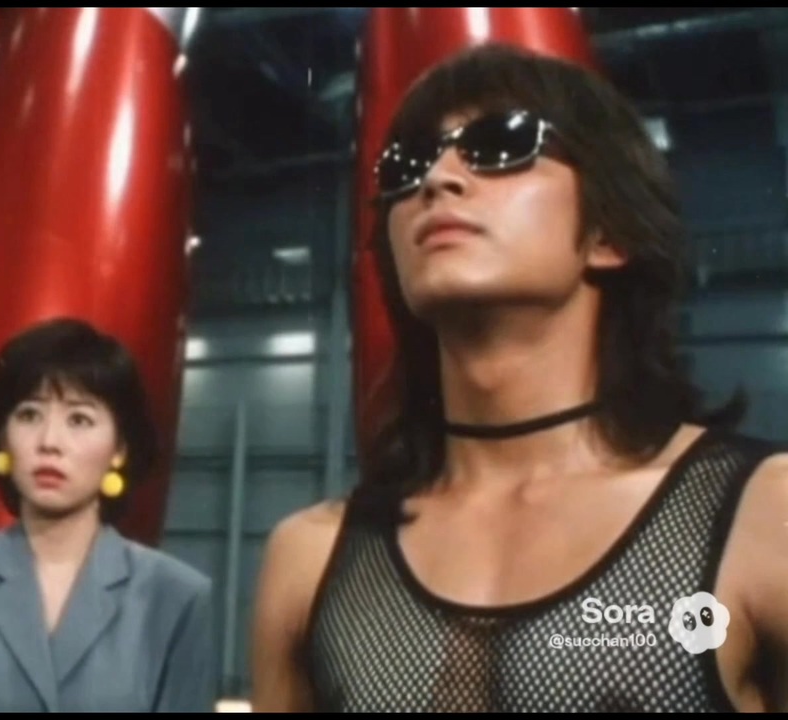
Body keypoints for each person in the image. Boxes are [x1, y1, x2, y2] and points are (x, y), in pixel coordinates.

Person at [250, 43, 788, 713]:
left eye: (500, 144)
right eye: (406, 165)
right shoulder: (311, 559)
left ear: (610, 233)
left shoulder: (765, 515)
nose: (437, 178)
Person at [0, 317, 216, 713]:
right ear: (2, 437)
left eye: (79, 419)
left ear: (119, 449)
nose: (50, 442)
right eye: (29, 415)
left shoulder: (176, 598)